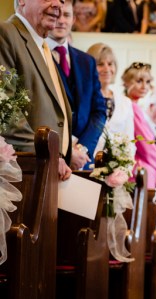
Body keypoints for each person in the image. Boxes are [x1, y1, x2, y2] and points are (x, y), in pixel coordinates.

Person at [0, 0, 72, 181]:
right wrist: (44, 153)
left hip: (50, 172)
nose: (58, 4)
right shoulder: (6, 33)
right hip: (24, 171)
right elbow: (4, 108)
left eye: (62, 0)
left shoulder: (42, 45)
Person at [48, 0, 106, 169]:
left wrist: (83, 147)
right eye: (57, 15)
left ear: (73, 20)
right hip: (52, 158)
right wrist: (65, 150)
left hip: (83, 159)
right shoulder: (37, 56)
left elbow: (99, 111)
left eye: (66, 15)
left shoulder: (87, 61)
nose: (61, 20)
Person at [87, 42, 136, 160]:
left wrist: (124, 170)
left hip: (116, 168)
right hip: (84, 165)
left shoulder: (125, 102)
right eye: (100, 64)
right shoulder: (82, 98)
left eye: (110, 64)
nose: (107, 69)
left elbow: (130, 141)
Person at [122, 61, 156, 189]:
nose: (144, 86)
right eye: (139, 81)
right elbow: (146, 144)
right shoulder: (131, 107)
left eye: (148, 82)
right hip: (138, 164)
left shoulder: (136, 107)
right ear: (126, 82)